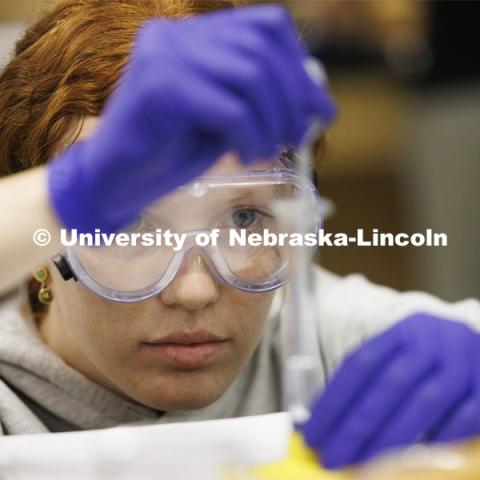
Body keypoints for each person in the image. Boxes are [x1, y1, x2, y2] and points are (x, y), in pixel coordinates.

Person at [0, 0, 478, 471]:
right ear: (43, 249)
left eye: (244, 219)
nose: (194, 291)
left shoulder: (325, 345)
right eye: (129, 224)